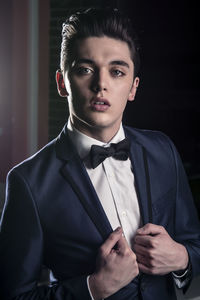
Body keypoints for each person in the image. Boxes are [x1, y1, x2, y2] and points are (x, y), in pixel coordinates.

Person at [0, 7, 200, 300]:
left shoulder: (163, 151)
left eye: (116, 71)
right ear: (62, 83)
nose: (101, 85)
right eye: (85, 70)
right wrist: (94, 288)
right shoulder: (27, 183)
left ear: (133, 87)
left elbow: (193, 242)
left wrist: (182, 258)